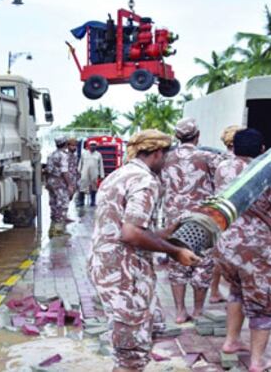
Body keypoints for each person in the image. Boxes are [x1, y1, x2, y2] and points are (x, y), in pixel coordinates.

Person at [88, 129, 201, 372]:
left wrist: (168, 232)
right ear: (158, 153)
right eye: (167, 156)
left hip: (112, 268)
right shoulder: (145, 181)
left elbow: (127, 229)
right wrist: (174, 252)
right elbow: (131, 234)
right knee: (131, 356)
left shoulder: (118, 175)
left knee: (148, 332)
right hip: (124, 275)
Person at [214, 128, 271, 372]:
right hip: (256, 250)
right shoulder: (268, 173)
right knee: (263, 303)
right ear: (263, 150)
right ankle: (257, 361)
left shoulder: (223, 168)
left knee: (236, 291)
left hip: (226, 246)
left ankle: (231, 341)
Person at [160, 118, 219, 323]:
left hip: (174, 219)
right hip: (202, 220)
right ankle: (198, 311)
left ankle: (179, 311)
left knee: (177, 262)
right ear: (197, 135)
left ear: (177, 136)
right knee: (203, 262)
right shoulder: (208, 157)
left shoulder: (165, 158)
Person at [208, 124, 243, 304]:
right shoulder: (244, 163)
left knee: (219, 254)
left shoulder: (218, 162)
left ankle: (214, 291)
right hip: (238, 213)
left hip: (220, 213)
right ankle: (235, 293)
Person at [45, 136, 74, 227]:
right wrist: (69, 184)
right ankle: (60, 222)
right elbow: (64, 171)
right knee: (63, 201)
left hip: (50, 181)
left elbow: (47, 170)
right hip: (59, 181)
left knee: (53, 200)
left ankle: (54, 217)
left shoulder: (51, 155)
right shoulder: (63, 155)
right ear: (65, 144)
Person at [79, 141, 105, 207]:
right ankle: (81, 202)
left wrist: (102, 175)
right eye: (91, 145)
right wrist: (79, 171)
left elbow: (101, 165)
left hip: (94, 172)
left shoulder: (98, 154)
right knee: (83, 186)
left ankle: (93, 201)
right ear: (88, 146)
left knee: (94, 186)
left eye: (94, 145)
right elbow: (80, 163)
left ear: (96, 146)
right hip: (85, 172)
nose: (92, 146)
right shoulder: (84, 154)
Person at [67, 137, 81, 212]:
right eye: (72, 145)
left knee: (70, 197)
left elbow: (76, 168)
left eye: (75, 145)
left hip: (74, 179)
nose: (74, 147)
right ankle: (62, 215)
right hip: (66, 180)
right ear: (68, 146)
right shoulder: (65, 155)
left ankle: (65, 214)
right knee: (64, 198)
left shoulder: (75, 156)